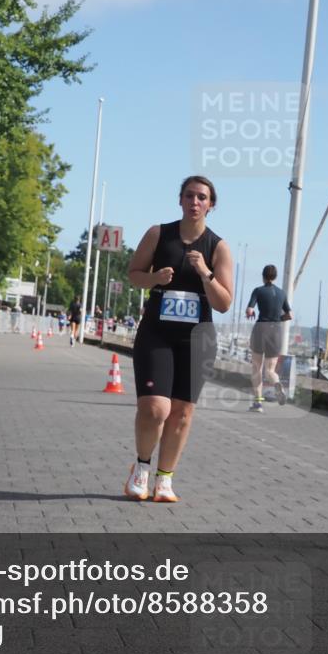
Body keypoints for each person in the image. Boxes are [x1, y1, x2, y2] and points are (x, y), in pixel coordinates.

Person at [124, 175, 233, 503]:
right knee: (155, 408)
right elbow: (133, 275)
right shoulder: (159, 234)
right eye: (189, 195)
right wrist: (154, 278)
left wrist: (205, 273)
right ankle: (142, 468)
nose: (195, 202)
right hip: (157, 332)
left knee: (182, 412)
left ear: (211, 205)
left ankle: (165, 479)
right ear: (180, 200)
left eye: (202, 197)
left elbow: (224, 303)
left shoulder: (218, 247)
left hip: (196, 339)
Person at [244, 265, 292, 413]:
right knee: (270, 370)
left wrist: (250, 314)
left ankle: (258, 404)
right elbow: (290, 315)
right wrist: (278, 318)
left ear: (263, 276)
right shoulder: (282, 293)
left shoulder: (258, 291)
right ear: (275, 276)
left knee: (256, 368)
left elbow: (249, 310)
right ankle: (276, 383)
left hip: (261, 329)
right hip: (276, 331)